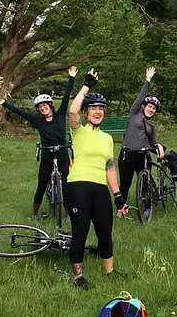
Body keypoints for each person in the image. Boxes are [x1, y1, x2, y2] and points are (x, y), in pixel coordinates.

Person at [67, 69, 128, 289]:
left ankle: (109, 271)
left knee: (105, 230)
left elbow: (110, 167)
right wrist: (86, 86)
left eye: (101, 109)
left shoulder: (107, 138)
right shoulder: (78, 131)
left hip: (100, 187)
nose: (98, 112)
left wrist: (118, 195)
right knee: (81, 230)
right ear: (86, 113)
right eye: (93, 108)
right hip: (78, 186)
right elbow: (72, 111)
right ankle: (78, 275)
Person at [0, 67, 76, 221]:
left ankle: (67, 213)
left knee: (66, 185)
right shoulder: (38, 121)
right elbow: (21, 113)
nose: (43, 109)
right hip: (47, 157)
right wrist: (5, 103)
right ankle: (34, 214)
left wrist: (71, 78)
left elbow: (66, 98)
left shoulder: (60, 115)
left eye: (45, 106)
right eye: (40, 108)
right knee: (41, 185)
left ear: (50, 106)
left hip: (63, 156)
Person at [118, 66, 164, 201]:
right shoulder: (135, 114)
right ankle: (121, 208)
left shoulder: (151, 126)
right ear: (144, 107)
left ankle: (147, 205)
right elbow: (140, 97)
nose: (151, 110)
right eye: (149, 106)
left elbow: (153, 143)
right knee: (125, 184)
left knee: (146, 183)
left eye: (154, 108)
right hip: (128, 154)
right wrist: (147, 80)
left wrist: (159, 147)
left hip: (142, 155)